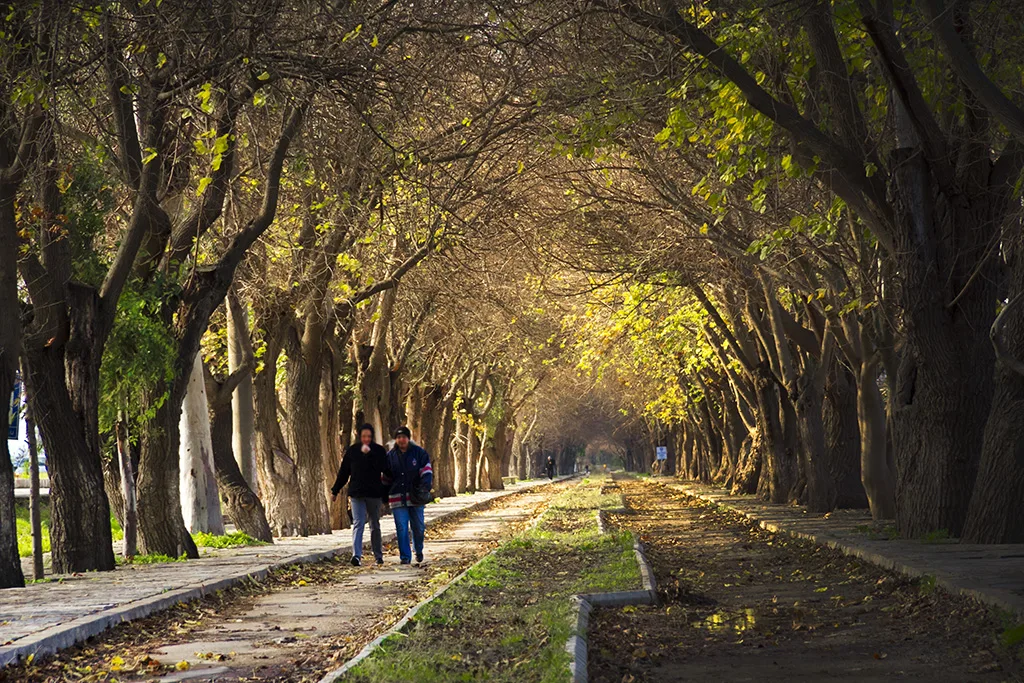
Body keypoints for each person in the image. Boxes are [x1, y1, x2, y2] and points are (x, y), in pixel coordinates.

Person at [331, 423, 388, 567]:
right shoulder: (353, 451)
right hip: (357, 494)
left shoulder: (379, 451)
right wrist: (335, 490)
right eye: (364, 436)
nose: (366, 439)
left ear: (372, 437)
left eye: (369, 436)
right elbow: (344, 473)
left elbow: (386, 470)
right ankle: (356, 555)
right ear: (359, 437)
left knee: (374, 524)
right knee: (358, 523)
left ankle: (378, 555)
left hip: (374, 494)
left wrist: (370, 455)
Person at [381, 426, 433, 566]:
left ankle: (418, 549)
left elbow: (426, 472)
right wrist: (384, 496)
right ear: (395, 439)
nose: (401, 440)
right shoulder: (390, 456)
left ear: (408, 438)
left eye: (404, 437)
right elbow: (385, 478)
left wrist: (425, 487)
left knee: (419, 527)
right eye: (398, 437)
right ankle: (405, 556)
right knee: (402, 528)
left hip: (416, 497)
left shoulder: (419, 453)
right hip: (397, 498)